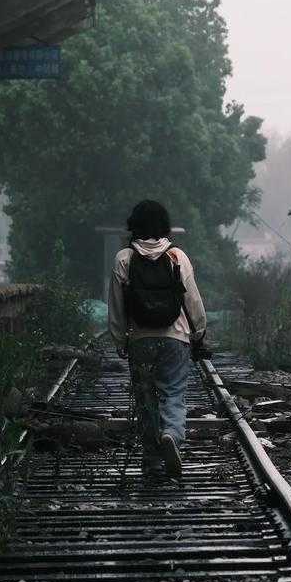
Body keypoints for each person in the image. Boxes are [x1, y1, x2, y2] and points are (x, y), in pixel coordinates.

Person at [108, 200, 208, 480]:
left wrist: (119, 339)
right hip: (176, 338)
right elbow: (193, 300)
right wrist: (199, 333)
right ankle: (172, 435)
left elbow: (116, 306)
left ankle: (152, 461)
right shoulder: (177, 256)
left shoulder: (123, 258)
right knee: (173, 393)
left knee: (146, 400)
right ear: (164, 225)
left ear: (133, 225)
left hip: (140, 340)